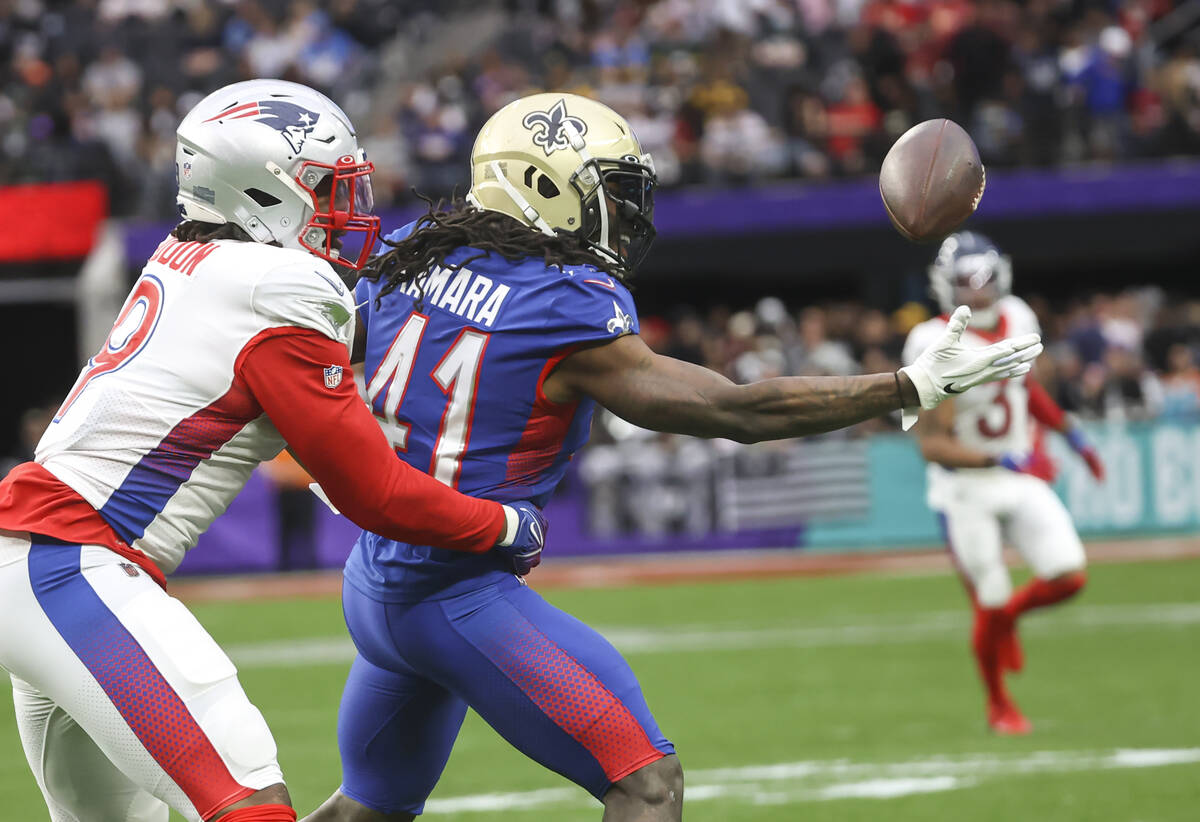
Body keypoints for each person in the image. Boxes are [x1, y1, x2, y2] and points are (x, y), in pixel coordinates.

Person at [304, 93, 1042, 822]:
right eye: (607, 194)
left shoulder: (417, 247)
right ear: (542, 188)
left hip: (375, 581)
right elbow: (736, 410)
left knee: (362, 813)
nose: (622, 216)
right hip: (455, 593)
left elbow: (314, 364)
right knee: (648, 784)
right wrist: (904, 385)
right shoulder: (562, 303)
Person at [0, 79, 545, 822]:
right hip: (73, 567)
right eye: (325, 188)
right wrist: (504, 525)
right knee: (251, 802)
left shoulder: (191, 260)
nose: (346, 210)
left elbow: (334, 463)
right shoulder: (281, 282)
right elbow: (371, 490)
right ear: (258, 189)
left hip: (39, 565)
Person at [903, 231, 1106, 736]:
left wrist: (1068, 431)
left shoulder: (1019, 316)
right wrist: (1005, 458)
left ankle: (1008, 620)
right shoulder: (934, 341)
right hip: (965, 489)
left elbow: (1025, 385)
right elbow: (932, 445)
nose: (978, 290)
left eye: (985, 277)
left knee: (1068, 573)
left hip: (1018, 475)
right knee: (989, 596)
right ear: (944, 286)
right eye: (965, 281)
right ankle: (999, 705)